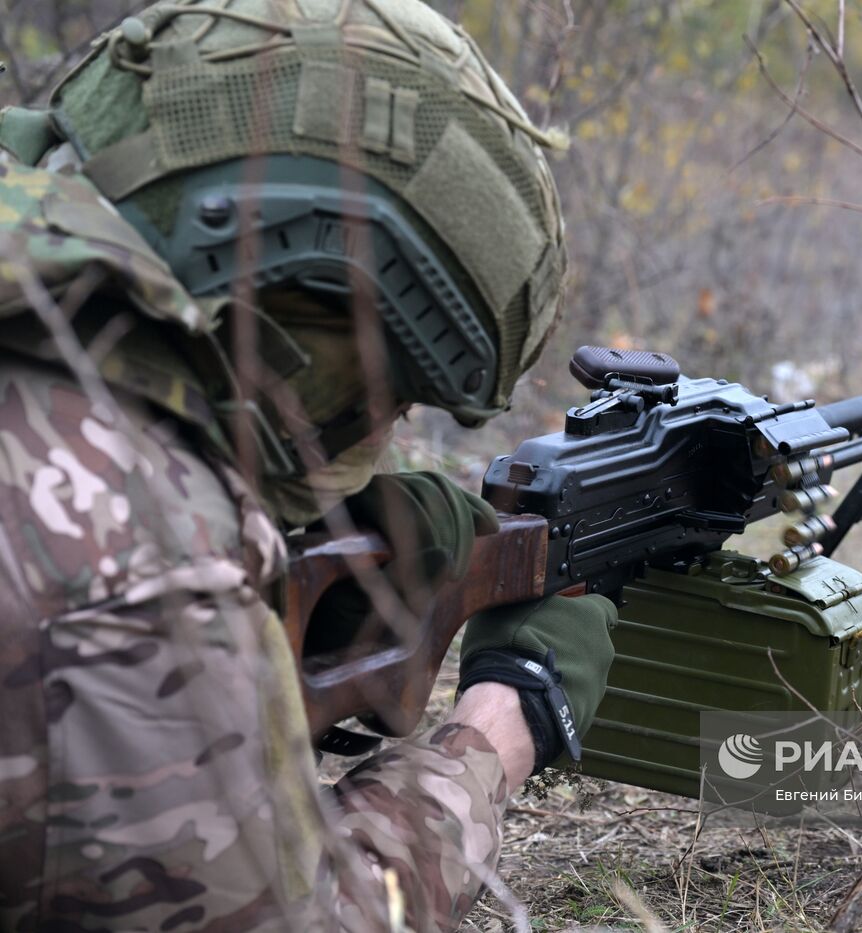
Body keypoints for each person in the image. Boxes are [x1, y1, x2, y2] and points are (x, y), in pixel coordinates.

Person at [0, 0, 615, 929]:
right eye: (385, 396)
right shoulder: (129, 563)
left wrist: (315, 530)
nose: (388, 430)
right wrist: (502, 725)